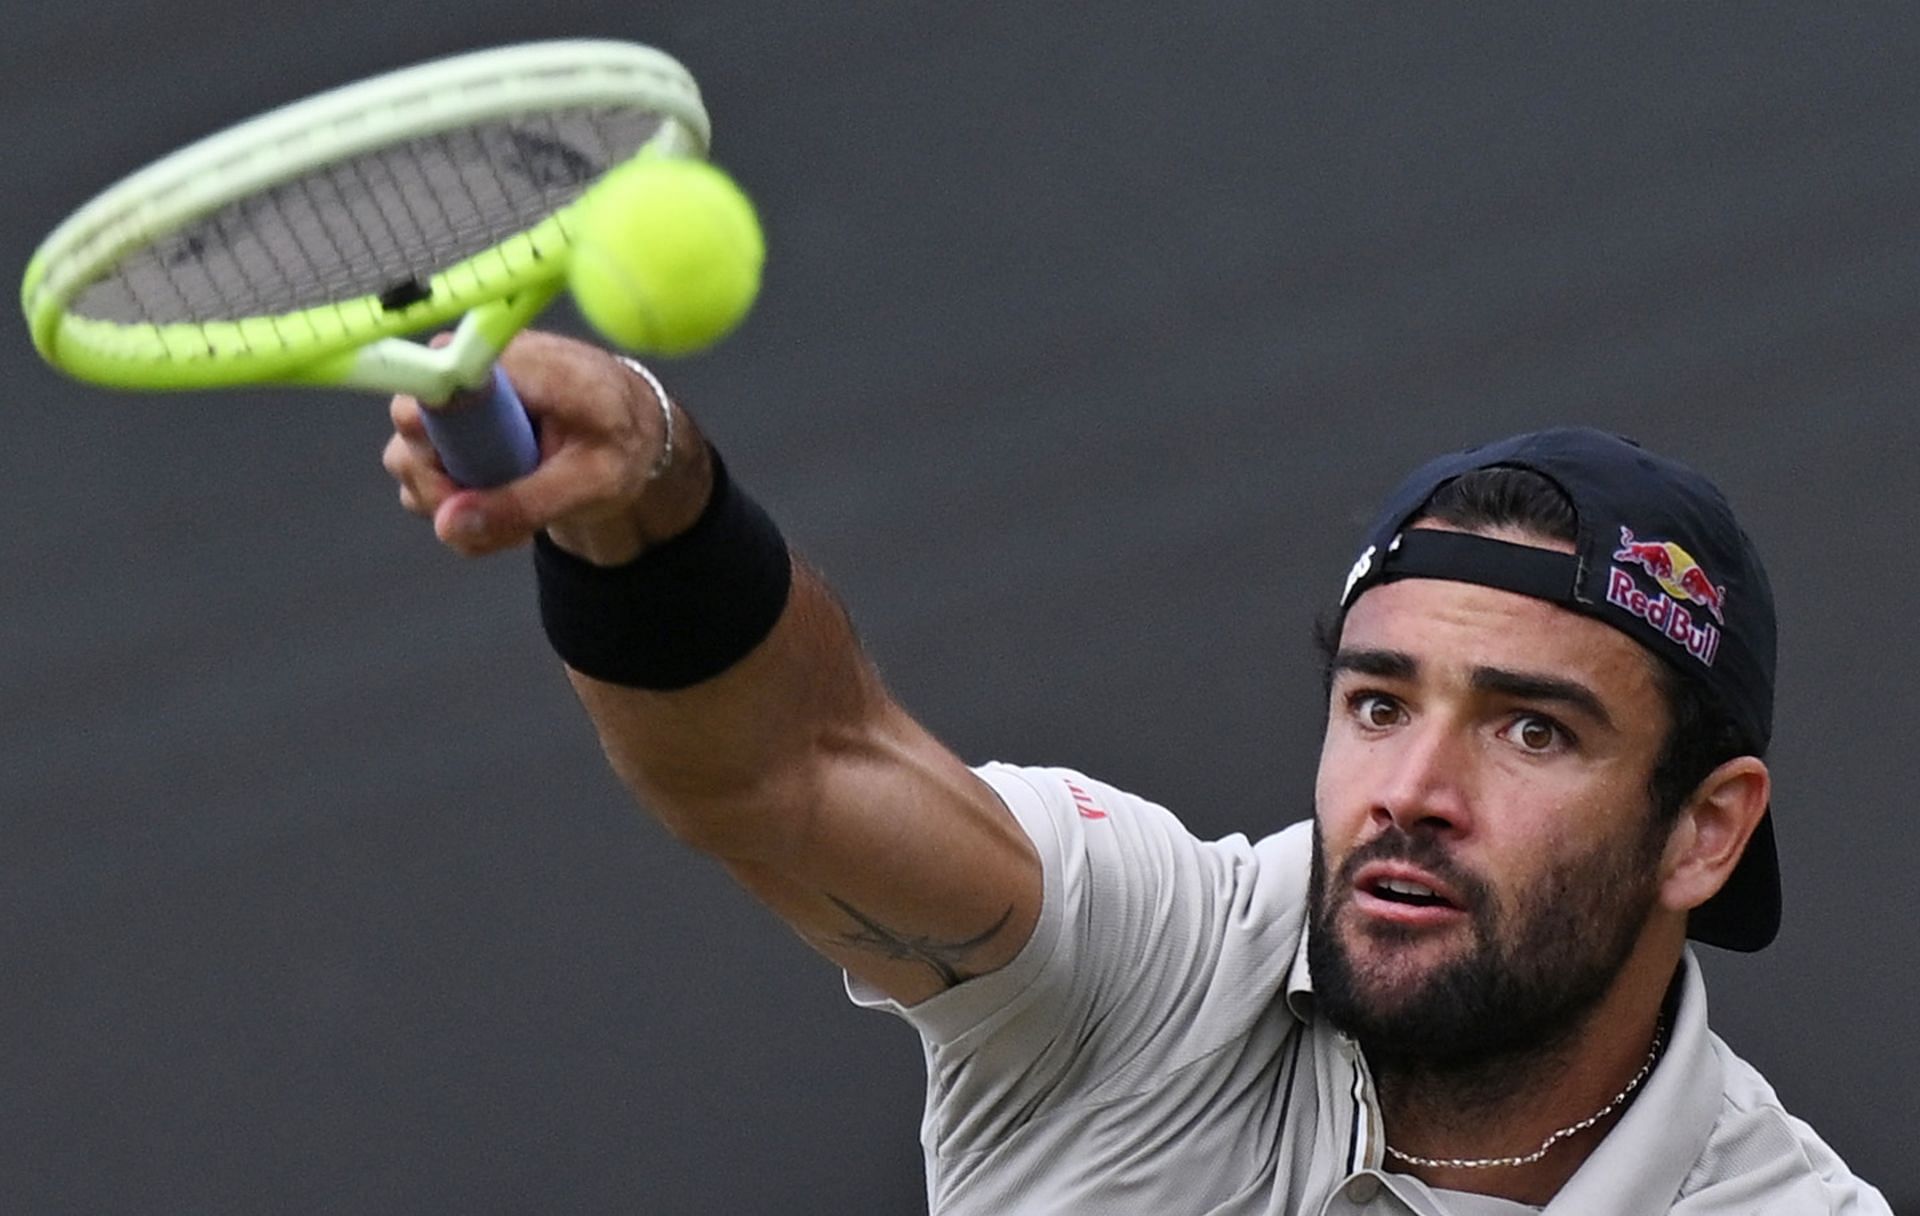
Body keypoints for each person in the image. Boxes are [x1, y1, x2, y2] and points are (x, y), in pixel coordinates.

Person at [383, 331, 1893, 1215]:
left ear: (1705, 832)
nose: (1412, 788)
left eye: (1531, 730)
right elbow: (787, 768)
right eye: (1377, 703)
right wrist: (650, 508)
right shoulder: (1151, 960)